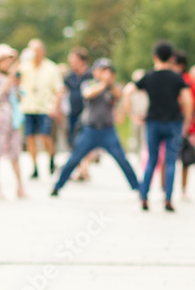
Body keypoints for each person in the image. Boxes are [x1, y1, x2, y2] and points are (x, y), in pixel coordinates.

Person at [51, 59, 140, 197]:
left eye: (108, 71)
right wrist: (104, 83)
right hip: (90, 130)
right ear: (95, 72)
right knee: (74, 158)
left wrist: (109, 84)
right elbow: (88, 94)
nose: (106, 73)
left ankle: (137, 188)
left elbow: (118, 95)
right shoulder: (89, 83)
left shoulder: (113, 87)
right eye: (102, 70)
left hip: (108, 130)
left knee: (122, 159)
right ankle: (58, 186)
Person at [134, 41, 194, 212]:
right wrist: (187, 120)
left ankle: (144, 196)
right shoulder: (177, 78)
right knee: (170, 162)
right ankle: (168, 198)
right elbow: (188, 100)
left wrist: (133, 114)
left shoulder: (149, 76)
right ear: (171, 58)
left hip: (153, 121)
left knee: (151, 160)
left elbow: (128, 90)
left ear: (155, 57)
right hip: (173, 122)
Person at [0, 44, 26, 199]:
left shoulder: (13, 78)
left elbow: (20, 97)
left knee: (15, 152)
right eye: (5, 60)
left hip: (13, 118)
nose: (8, 64)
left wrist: (17, 84)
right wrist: (8, 82)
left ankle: (20, 187)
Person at [20, 38, 63, 179]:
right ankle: (34, 166)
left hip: (45, 108)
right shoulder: (24, 67)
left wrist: (55, 106)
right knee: (30, 137)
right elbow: (13, 78)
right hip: (29, 107)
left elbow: (59, 89)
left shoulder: (51, 68)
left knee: (46, 136)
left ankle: (51, 159)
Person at [59, 47, 95, 180]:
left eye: (73, 60)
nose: (71, 63)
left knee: (88, 142)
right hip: (73, 114)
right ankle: (81, 169)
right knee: (73, 142)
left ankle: (84, 169)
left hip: (88, 114)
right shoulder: (70, 76)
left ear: (81, 61)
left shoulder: (91, 74)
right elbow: (62, 91)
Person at [175, 51, 195, 200]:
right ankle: (183, 190)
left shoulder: (188, 81)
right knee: (185, 160)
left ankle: (164, 189)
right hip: (187, 125)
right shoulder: (191, 81)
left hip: (178, 124)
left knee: (171, 158)